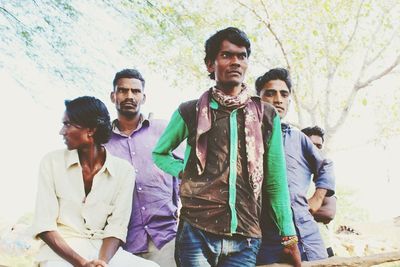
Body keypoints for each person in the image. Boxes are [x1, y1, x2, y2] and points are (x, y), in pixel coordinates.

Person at [152, 27, 301, 267]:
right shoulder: (190, 111)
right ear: (210, 64)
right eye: (226, 55)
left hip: (246, 235)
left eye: (242, 56)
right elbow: (159, 153)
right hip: (197, 229)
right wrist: (184, 170)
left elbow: (275, 181)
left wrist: (288, 236)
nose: (235, 62)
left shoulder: (266, 115)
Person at [31, 96, 158, 267]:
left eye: (68, 124)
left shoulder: (123, 171)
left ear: (90, 130)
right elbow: (45, 225)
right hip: (61, 251)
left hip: (103, 250)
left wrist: (101, 262)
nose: (62, 131)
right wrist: (81, 263)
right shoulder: (51, 162)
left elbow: (116, 227)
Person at [255, 68, 335, 263]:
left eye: (284, 94)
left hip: (305, 232)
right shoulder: (247, 137)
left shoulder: (297, 137)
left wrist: (317, 198)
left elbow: (326, 165)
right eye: (270, 93)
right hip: (264, 236)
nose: (278, 99)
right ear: (258, 99)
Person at [105, 69, 181, 267]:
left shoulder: (164, 130)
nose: (129, 96)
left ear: (143, 97)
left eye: (135, 91)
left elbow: (186, 175)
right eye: (122, 90)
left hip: (166, 238)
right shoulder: (102, 142)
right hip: (122, 243)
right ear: (113, 96)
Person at [302, 125, 337, 257]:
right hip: (293, 247)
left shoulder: (323, 175)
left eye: (319, 146)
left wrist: (293, 210)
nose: (316, 149)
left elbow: (328, 213)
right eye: (312, 144)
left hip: (322, 246)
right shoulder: (288, 173)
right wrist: (311, 209)